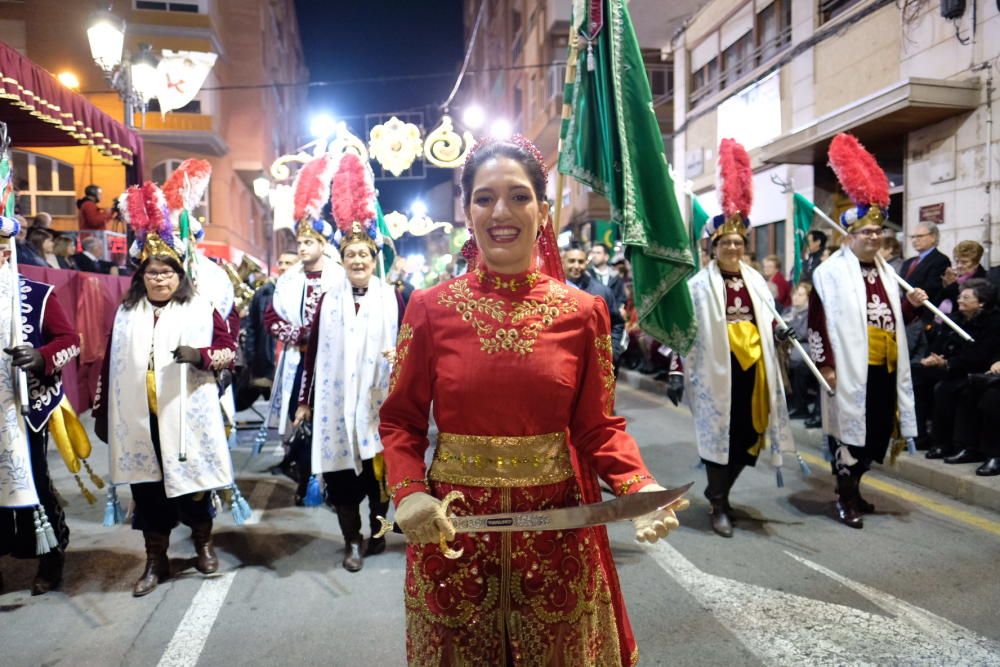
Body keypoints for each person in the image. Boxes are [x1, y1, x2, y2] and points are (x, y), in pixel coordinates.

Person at [379, 135, 686, 665]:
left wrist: (640, 487)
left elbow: (598, 426)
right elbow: (401, 422)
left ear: (543, 212)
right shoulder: (429, 309)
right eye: (485, 197)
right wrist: (408, 491)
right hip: (451, 534)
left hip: (558, 538)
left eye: (519, 197)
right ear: (467, 210)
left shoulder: (583, 311)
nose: (502, 211)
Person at [93, 182, 239, 597]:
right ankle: (155, 559)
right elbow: (110, 365)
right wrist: (104, 414)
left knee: (193, 487)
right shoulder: (127, 313)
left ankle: (203, 544)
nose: (160, 278)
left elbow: (231, 352)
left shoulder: (201, 308)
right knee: (148, 491)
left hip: (187, 413)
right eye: (152, 272)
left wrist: (202, 355)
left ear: (180, 274)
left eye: (168, 271)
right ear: (142, 275)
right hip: (141, 418)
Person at [678, 138, 796, 538]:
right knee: (720, 436)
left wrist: (780, 331)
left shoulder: (758, 281)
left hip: (754, 371)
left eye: (738, 242)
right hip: (716, 371)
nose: (732, 247)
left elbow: (768, 318)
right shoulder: (697, 286)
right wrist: (676, 371)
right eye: (725, 242)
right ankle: (719, 504)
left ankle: (721, 491)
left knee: (750, 436)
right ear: (713, 248)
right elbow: (684, 331)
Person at [294, 154, 403, 572]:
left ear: (374, 258)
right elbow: (313, 354)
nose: (358, 261)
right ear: (342, 257)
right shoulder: (327, 301)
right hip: (336, 406)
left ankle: (376, 530)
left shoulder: (392, 298)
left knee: (378, 477)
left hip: (378, 402)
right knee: (342, 482)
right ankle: (351, 541)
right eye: (352, 254)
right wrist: (304, 401)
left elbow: (410, 346)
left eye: (365, 254)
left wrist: (403, 366)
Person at [808, 133, 922, 529]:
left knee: (875, 436)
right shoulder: (830, 273)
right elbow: (818, 321)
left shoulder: (889, 273)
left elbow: (889, 320)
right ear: (849, 236)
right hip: (851, 367)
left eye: (878, 233)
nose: (874, 238)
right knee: (849, 436)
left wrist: (910, 305)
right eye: (866, 233)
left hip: (885, 367)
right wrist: (825, 363)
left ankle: (855, 489)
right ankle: (845, 497)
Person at [0, 217, 80, 595]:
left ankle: (50, 555)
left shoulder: (36, 294)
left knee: (32, 479)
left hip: (24, 407)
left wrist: (41, 357)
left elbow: (71, 340)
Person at [264, 154, 345, 500]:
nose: (302, 247)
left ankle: (331, 481)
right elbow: (271, 317)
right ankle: (303, 477)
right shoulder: (289, 278)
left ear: (323, 244)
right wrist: (297, 335)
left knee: (330, 419)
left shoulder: (339, 275)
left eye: (309, 242)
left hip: (330, 364)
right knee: (301, 420)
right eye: (299, 243)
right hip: (298, 361)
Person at [920, 279, 999, 463]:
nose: (959, 300)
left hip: (980, 370)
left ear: (981, 302)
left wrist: (949, 363)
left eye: (966, 297)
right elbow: (941, 343)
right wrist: (935, 357)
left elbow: (981, 353)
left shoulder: (994, 322)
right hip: (956, 367)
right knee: (928, 383)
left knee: (966, 393)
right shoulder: (955, 319)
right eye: (960, 296)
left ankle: (972, 448)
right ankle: (938, 441)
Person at [244, 251, 298, 398]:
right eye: (280, 263)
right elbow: (251, 327)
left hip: (293, 356)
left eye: (288, 263)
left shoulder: (304, 290)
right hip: (268, 359)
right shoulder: (264, 292)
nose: (283, 267)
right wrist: (251, 359)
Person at [563, 244, 626, 361]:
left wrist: (613, 352)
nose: (576, 266)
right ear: (563, 262)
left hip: (592, 359)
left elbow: (616, 323)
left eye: (580, 262)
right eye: (571, 261)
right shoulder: (553, 289)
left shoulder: (601, 292)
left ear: (586, 264)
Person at [783, 282, 819, 424]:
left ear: (808, 297)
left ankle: (800, 405)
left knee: (797, 361)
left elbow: (803, 333)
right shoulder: (788, 311)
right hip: (787, 346)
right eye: (794, 294)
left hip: (805, 347)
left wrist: (788, 327)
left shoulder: (810, 312)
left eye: (800, 295)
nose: (796, 298)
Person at [899, 221, 950, 314]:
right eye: (912, 237)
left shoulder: (940, 260)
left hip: (922, 313)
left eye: (919, 236)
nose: (914, 240)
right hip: (903, 311)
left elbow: (931, 290)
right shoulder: (908, 262)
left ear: (933, 237)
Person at [938, 240, 987, 314]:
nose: (959, 266)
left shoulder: (983, 281)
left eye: (964, 262)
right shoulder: (956, 278)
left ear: (976, 263)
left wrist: (952, 286)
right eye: (957, 261)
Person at [588, 242, 626, 315]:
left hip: (613, 316)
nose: (594, 256)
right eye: (593, 253)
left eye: (598, 253)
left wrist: (619, 309)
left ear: (606, 257)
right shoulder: (587, 275)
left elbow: (621, 297)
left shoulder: (615, 276)